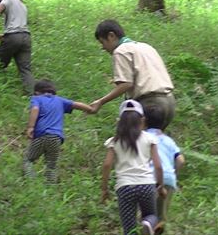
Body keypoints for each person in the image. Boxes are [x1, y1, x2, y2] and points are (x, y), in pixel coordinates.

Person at [91, 20, 176, 129]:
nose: (103, 47)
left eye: (102, 42)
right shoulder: (145, 47)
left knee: (137, 143)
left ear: (111, 36)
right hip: (169, 102)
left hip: (151, 104)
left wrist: (101, 102)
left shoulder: (121, 51)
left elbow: (126, 84)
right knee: (155, 141)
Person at [101, 99, 167, 235]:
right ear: (142, 120)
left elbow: (107, 165)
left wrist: (104, 189)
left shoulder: (115, 141)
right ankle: (147, 224)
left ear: (119, 121)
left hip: (125, 187)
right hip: (147, 185)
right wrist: (160, 186)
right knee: (152, 216)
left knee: (129, 228)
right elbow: (158, 166)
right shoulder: (150, 138)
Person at [24, 79, 94, 183]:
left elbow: (35, 109)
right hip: (56, 138)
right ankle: (50, 186)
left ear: (37, 92)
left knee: (28, 160)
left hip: (41, 135)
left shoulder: (37, 99)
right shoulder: (60, 100)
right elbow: (76, 104)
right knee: (51, 165)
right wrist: (90, 109)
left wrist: (30, 127)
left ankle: (31, 181)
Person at [143, 105, 185, 234]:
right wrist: (173, 173)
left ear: (144, 121)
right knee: (161, 216)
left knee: (146, 215)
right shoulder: (169, 141)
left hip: (149, 177)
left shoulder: (143, 137)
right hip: (168, 179)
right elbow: (181, 160)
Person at [0, 0, 34, 95]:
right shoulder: (23, 5)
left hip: (13, 37)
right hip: (26, 37)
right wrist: (4, 35)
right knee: (25, 69)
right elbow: (18, 25)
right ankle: (31, 95)